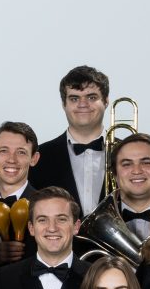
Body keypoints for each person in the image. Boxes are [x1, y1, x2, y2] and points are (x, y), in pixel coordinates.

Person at [31, 65, 112, 217]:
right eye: (74, 98)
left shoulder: (127, 154)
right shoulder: (39, 157)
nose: (83, 104)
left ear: (106, 101)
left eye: (92, 97)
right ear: (64, 104)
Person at [88, 131, 150, 249]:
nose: (136, 171)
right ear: (114, 174)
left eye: (146, 163)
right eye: (126, 164)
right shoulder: (96, 225)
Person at [0, 121, 40, 265]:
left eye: (21, 152)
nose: (12, 160)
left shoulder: (46, 206)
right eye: (3, 151)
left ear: (34, 159)